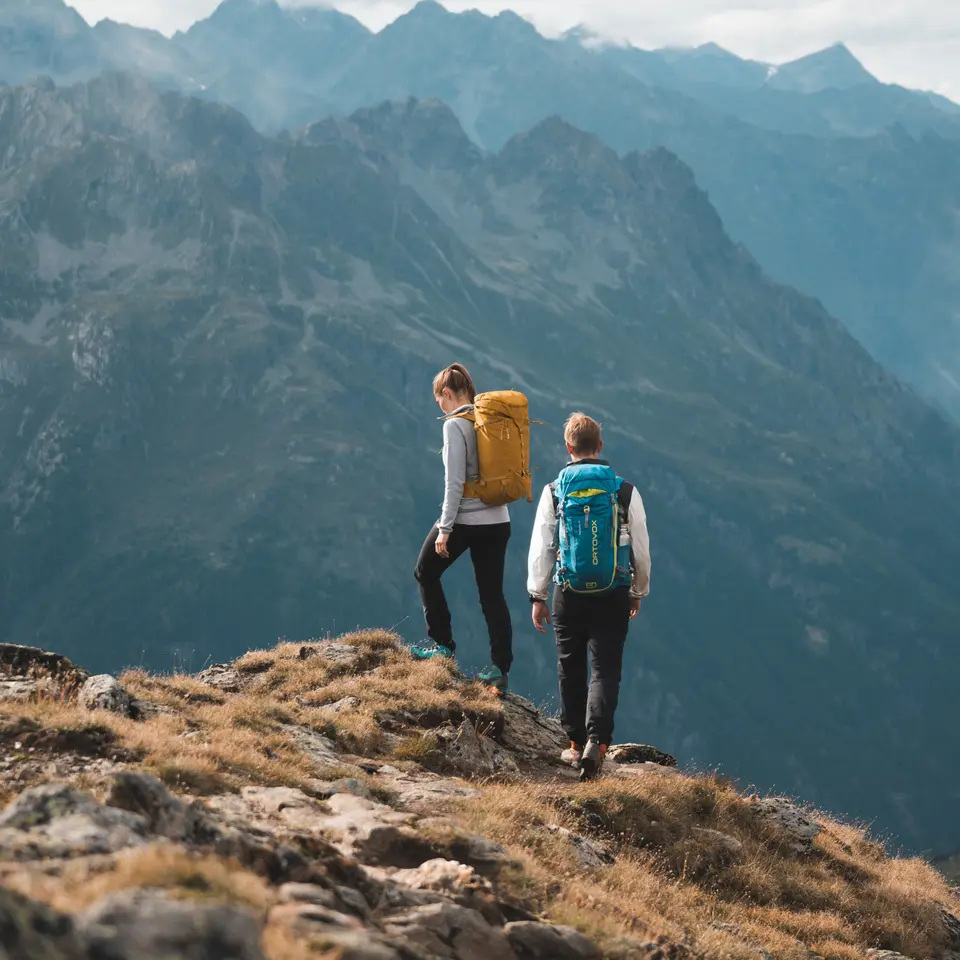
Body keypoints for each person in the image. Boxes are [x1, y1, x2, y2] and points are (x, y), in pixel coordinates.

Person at [527, 412, 651, 780]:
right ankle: (596, 743)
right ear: (600, 446)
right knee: (605, 670)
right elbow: (640, 548)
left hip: (568, 592)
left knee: (571, 665)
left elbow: (542, 546)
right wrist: (637, 591)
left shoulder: (554, 490)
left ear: (568, 448)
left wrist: (538, 594)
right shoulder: (623, 491)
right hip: (612, 591)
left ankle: (572, 743)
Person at [411, 363, 513, 694]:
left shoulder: (455, 425)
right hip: (499, 521)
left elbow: (454, 483)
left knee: (425, 572)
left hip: (466, 520)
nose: (438, 406)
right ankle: (500, 669)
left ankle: (442, 645)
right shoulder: (491, 421)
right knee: (492, 595)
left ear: (448, 394)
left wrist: (445, 528)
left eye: (438, 399)